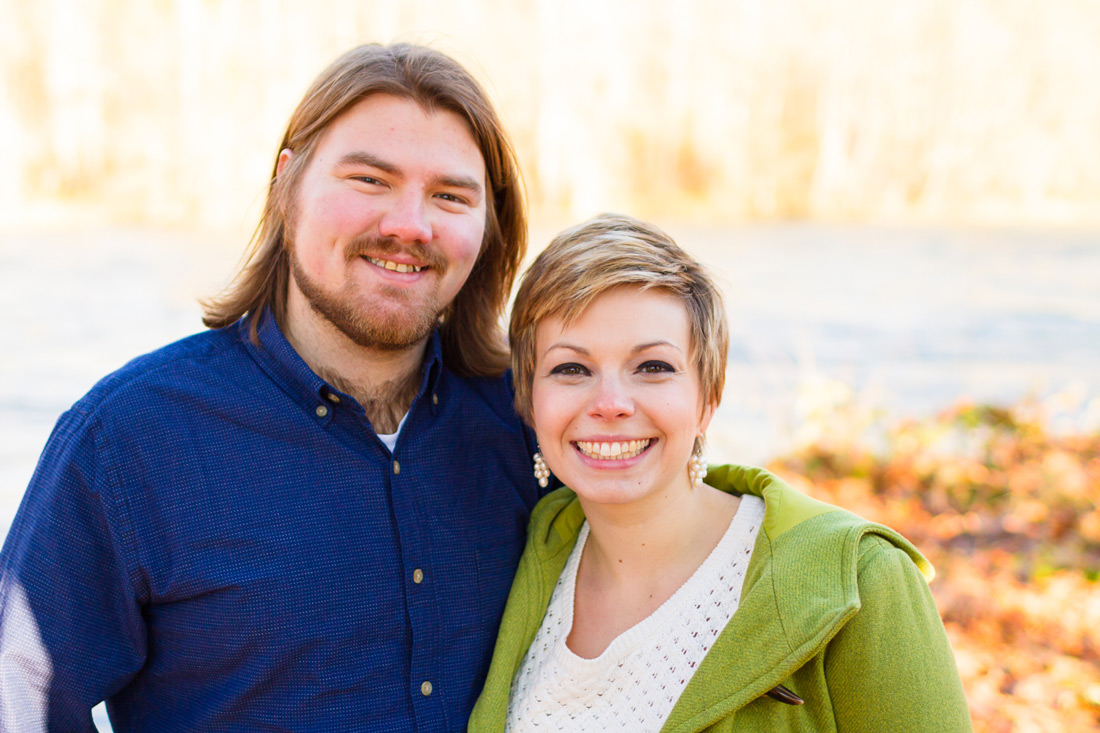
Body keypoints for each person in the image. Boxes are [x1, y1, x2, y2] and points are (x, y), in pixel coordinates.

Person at [0, 43, 545, 732]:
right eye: (370, 180)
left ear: (488, 222)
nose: (411, 224)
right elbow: (18, 700)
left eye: (449, 195)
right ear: (288, 184)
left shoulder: (533, 423)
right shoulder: (131, 439)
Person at [469, 214, 973, 732]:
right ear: (529, 401)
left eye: (653, 367)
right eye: (571, 369)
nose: (611, 403)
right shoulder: (531, 551)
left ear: (709, 396)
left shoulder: (863, 580)